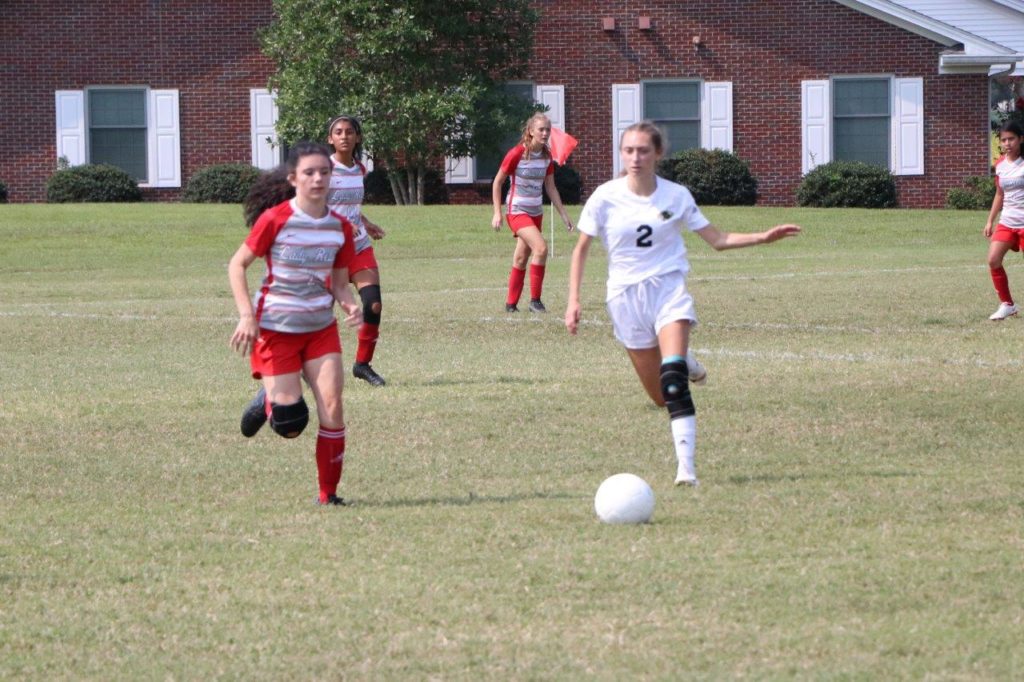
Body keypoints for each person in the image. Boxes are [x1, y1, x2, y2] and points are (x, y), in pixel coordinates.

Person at [564, 121, 800, 486]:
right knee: (661, 398)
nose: (635, 158)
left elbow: (717, 239)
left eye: (643, 150)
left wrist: (763, 237)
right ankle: (685, 358)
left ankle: (686, 470)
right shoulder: (604, 197)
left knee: (673, 382)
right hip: (625, 299)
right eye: (629, 150)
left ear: (658, 153)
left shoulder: (676, 196)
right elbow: (581, 249)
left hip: (668, 291)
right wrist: (573, 300)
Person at [229, 142, 362, 506]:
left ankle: (328, 495)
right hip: (276, 329)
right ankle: (271, 402)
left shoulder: (340, 227)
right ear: (293, 179)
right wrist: (247, 316)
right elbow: (237, 265)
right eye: (309, 172)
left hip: (320, 329)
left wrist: (350, 305)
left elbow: (339, 284)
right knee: (290, 425)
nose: (318, 178)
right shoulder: (275, 220)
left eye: (324, 172)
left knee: (333, 407)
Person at [326, 115, 389, 384]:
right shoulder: (323, 170)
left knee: (373, 304)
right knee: (318, 313)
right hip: (330, 250)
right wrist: (341, 224)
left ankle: (362, 364)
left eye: (349, 132)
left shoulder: (359, 169)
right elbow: (314, 208)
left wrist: (366, 223)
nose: (344, 136)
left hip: (359, 245)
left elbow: (350, 208)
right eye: (338, 132)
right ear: (330, 139)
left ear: (358, 137)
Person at [491, 112, 575, 313]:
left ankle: (511, 305)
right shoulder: (516, 153)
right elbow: (497, 182)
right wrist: (497, 212)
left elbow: (551, 187)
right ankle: (535, 301)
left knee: (521, 258)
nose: (545, 133)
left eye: (548, 130)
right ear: (530, 131)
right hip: (517, 211)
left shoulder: (547, 156)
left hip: (536, 212)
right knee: (541, 248)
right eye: (541, 130)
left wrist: (563, 215)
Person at [984, 121, 1024, 321]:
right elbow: (999, 194)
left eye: (1011, 139)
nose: (1007, 143)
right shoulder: (1000, 165)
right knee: (993, 260)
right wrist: (990, 221)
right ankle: (1007, 305)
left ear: (1021, 139)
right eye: (1004, 140)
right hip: (1007, 222)